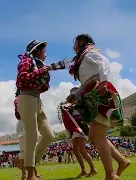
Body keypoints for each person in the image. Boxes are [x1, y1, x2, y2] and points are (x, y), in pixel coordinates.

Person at [66, 34, 131, 180]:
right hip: (92, 93)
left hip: (100, 93)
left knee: (97, 136)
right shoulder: (83, 58)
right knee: (95, 136)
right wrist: (75, 94)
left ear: (82, 41)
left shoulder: (89, 52)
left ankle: (111, 174)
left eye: (75, 41)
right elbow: (86, 83)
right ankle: (121, 161)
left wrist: (103, 82)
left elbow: (104, 62)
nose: (74, 44)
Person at [16, 40, 55, 180]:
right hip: (26, 97)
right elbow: (22, 79)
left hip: (37, 99)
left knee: (49, 135)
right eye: (44, 51)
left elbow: (44, 87)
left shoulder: (39, 65)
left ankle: (31, 164)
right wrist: (41, 72)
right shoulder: (26, 61)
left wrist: (44, 79)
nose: (46, 54)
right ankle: (30, 174)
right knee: (32, 136)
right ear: (37, 51)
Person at [59, 87, 97, 178]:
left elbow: (81, 107)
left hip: (81, 126)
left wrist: (72, 104)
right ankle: (84, 170)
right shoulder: (71, 106)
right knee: (76, 150)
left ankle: (92, 169)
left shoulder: (82, 101)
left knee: (81, 150)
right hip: (75, 127)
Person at [12, 90, 41, 180]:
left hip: (28, 122)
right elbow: (22, 111)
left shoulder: (23, 99)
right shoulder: (19, 99)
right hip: (24, 122)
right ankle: (25, 174)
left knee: (30, 149)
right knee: (25, 150)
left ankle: (31, 173)